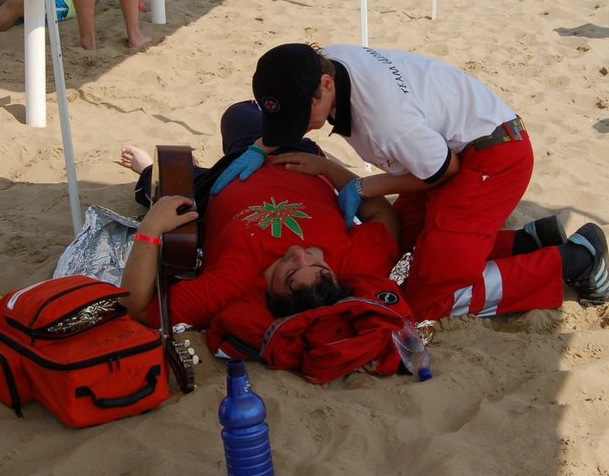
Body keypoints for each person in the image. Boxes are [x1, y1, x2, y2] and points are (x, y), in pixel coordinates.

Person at [210, 44, 609, 323]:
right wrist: (262, 147)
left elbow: (444, 173)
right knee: (403, 242)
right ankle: (531, 240)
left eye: (304, 114)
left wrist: (365, 187)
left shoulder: (386, 122)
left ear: (326, 85)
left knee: (431, 299)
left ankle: (577, 260)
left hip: (489, 159)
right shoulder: (323, 61)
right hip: (449, 147)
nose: (301, 126)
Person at [118, 101, 401, 329]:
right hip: (294, 155)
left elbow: (139, 309)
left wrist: (150, 229)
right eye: (317, 264)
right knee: (241, 112)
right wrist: (330, 170)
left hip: (220, 184)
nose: (298, 253)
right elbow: (383, 214)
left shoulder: (232, 285)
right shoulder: (355, 263)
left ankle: (146, 167)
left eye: (289, 271)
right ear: (335, 279)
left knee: (159, 180)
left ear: (272, 296)